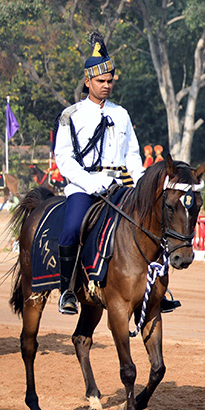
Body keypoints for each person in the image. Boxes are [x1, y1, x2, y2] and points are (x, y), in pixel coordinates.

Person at [52, 31, 146, 316]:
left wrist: (141, 184)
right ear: (87, 82)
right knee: (71, 230)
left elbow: (132, 154)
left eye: (109, 81)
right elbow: (63, 157)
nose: (106, 86)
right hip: (85, 186)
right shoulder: (71, 115)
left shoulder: (122, 114)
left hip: (119, 185)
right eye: (100, 81)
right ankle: (67, 290)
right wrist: (90, 183)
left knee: (151, 225)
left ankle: (156, 288)